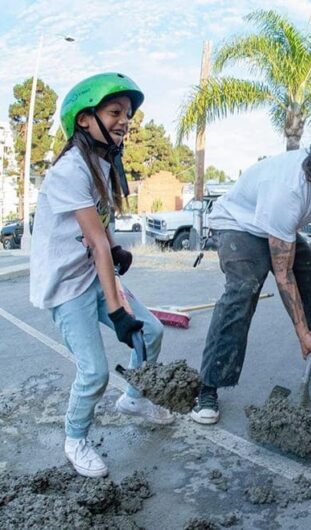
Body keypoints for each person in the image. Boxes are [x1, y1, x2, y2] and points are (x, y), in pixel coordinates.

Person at [30, 73, 173, 478]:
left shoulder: (103, 162)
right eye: (114, 112)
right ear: (83, 119)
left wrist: (116, 247)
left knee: (153, 332)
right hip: (66, 285)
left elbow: (102, 221)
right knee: (93, 371)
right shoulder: (69, 170)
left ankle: (134, 398)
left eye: (127, 114)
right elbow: (92, 241)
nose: (124, 120)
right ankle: (75, 438)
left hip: (92, 270)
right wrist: (117, 311)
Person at [191, 120, 311, 425]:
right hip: (239, 224)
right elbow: (283, 274)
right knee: (244, 288)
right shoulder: (286, 188)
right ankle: (209, 385)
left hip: (278, 228)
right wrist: (302, 333)